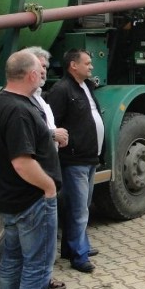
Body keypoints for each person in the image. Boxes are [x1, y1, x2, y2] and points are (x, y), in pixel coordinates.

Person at [0, 50, 69, 289]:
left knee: (12, 262)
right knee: (37, 265)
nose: (43, 74)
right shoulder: (20, 110)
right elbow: (22, 162)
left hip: (10, 200)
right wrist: (48, 187)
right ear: (31, 75)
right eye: (40, 70)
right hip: (30, 201)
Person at [45, 49, 103, 273]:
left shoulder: (86, 86)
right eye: (87, 63)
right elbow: (53, 123)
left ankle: (74, 247)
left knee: (83, 206)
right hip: (74, 159)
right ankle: (79, 257)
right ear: (73, 66)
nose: (91, 67)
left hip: (90, 157)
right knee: (78, 209)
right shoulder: (61, 90)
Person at [22, 46, 69, 289]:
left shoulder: (40, 97)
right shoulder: (23, 100)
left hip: (49, 169)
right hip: (37, 178)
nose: (43, 70)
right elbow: (31, 136)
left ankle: (45, 278)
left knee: (47, 235)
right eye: (38, 66)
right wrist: (53, 135)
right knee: (37, 239)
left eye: (44, 66)